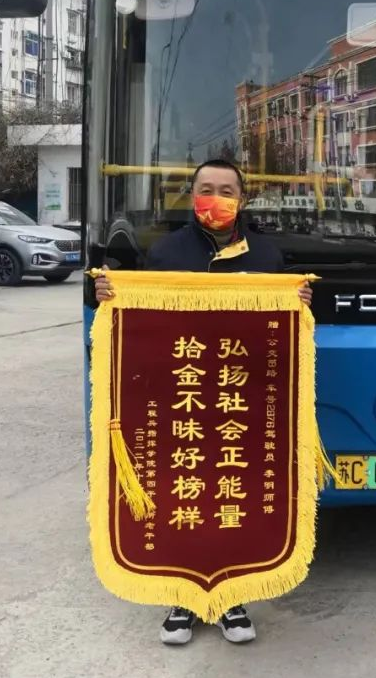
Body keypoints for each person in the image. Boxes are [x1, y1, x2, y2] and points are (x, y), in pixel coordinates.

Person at [93, 158, 311, 645]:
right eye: (206, 189)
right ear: (192, 196)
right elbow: (144, 322)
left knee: (235, 495)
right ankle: (184, 600)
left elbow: (277, 335)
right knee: (185, 494)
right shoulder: (165, 253)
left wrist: (297, 308)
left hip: (240, 401)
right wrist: (112, 294)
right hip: (183, 399)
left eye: (226, 190)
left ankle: (232, 598)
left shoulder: (267, 257)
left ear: (242, 199)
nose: (216, 198)